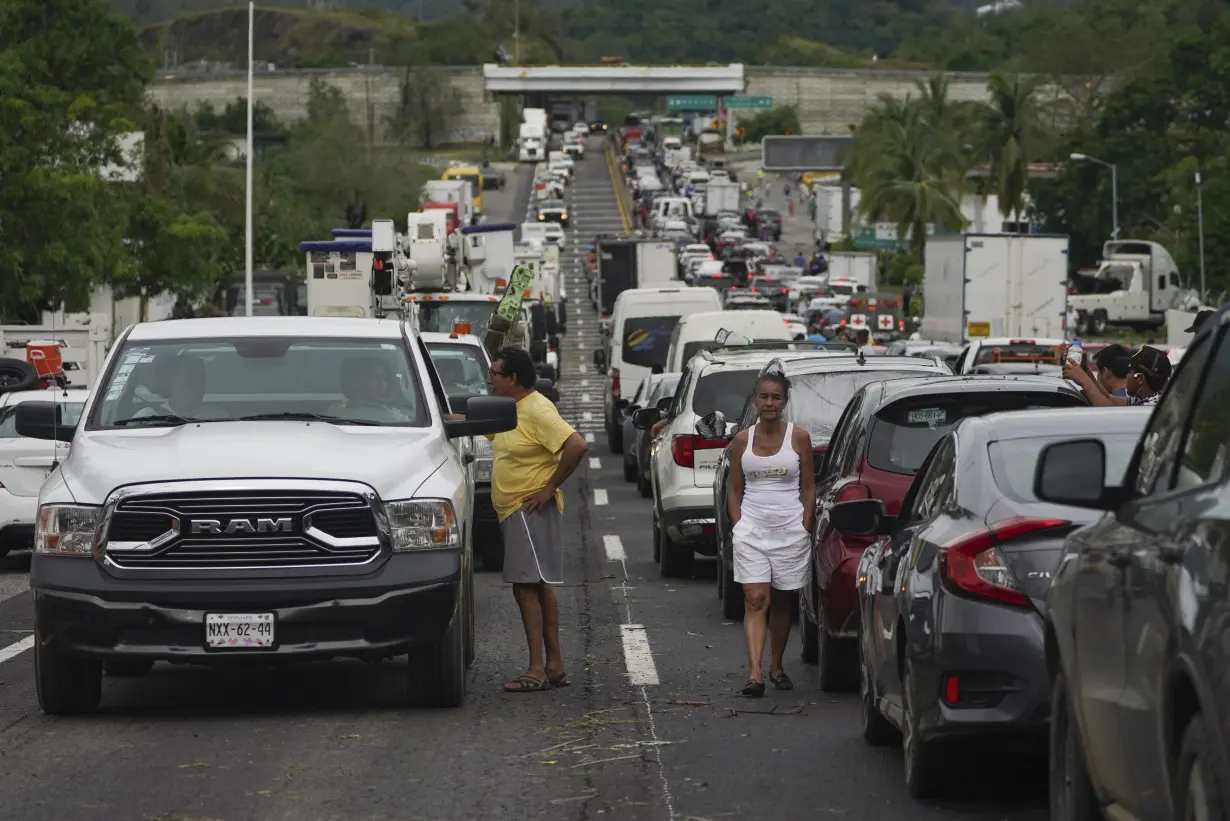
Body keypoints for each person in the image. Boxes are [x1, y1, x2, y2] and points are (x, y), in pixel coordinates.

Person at [484, 347, 589, 692]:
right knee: (537, 584)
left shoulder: (537, 409)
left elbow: (576, 444)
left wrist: (548, 488)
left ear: (513, 378)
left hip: (527, 509)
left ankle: (536, 669)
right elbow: (482, 429)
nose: (489, 379)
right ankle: (553, 665)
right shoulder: (508, 409)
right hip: (514, 510)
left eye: (495, 374)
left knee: (527, 588)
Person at [726, 369, 815, 696]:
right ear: (755, 399)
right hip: (752, 531)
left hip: (790, 532)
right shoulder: (741, 441)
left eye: (776, 397)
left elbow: (809, 487)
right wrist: (738, 525)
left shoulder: (799, 438)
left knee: (782, 602)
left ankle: (776, 666)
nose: (769, 403)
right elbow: (734, 488)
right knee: (755, 599)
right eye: (764, 396)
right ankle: (755, 674)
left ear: (784, 401)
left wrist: (805, 523)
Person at [1064, 345, 1171, 406]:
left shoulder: (1151, 406)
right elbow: (1109, 398)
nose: (1126, 376)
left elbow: (1109, 411)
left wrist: (1084, 381)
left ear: (1139, 379)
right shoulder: (1141, 400)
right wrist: (1088, 374)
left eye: (1129, 372)